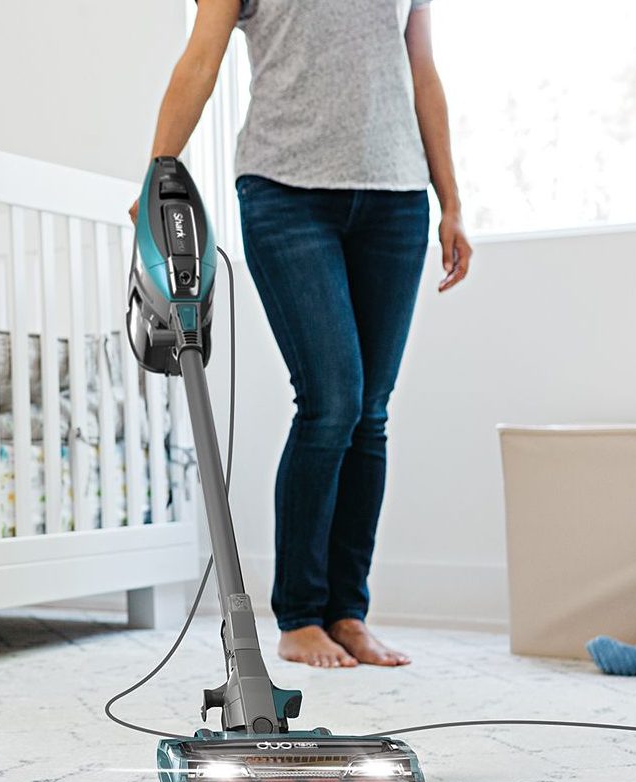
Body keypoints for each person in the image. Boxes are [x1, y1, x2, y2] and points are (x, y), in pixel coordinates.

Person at [132, 0, 472, 669]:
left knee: (369, 413)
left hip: (395, 195)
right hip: (284, 191)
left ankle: (347, 612)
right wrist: (158, 172)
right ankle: (298, 616)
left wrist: (451, 200)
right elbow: (202, 57)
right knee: (331, 401)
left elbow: (420, 68)